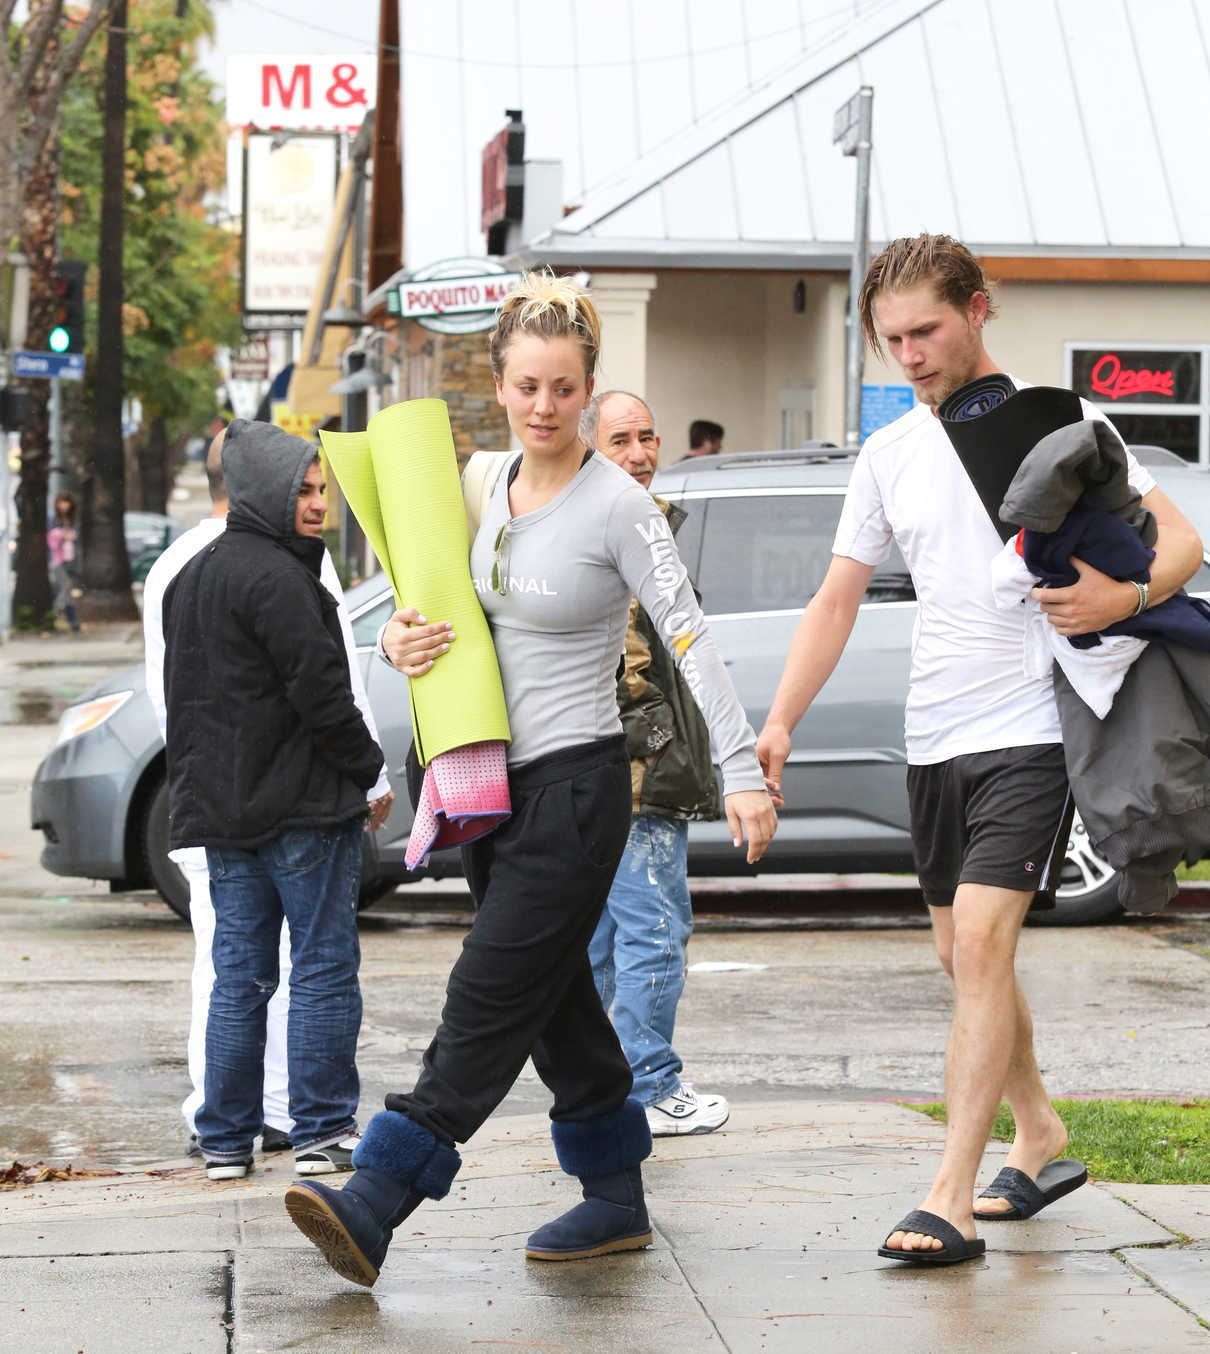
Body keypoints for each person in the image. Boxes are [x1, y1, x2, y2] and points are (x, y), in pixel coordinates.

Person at [284, 273, 778, 1288]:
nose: (543, 407)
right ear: (500, 387)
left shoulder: (619, 505)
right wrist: (399, 641)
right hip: (487, 792)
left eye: (562, 388)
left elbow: (687, 635)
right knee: (556, 1002)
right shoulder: (478, 482)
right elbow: (427, 611)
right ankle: (613, 1197)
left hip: (580, 788)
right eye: (525, 387)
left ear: (589, 387)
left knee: (490, 990)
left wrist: (742, 768)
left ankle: (380, 1193)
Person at [757, 233, 1203, 1266]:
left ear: (977, 309)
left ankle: (947, 1194)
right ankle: (1039, 1135)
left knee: (984, 948)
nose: (910, 354)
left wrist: (1122, 595)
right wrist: (779, 720)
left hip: (1031, 725)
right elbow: (835, 596)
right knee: (958, 954)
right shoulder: (888, 453)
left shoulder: (1058, 421)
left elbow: (1180, 543)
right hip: (934, 731)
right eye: (892, 339)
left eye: (927, 329)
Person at [143, 424, 394, 1168]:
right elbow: (325, 695)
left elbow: (182, 705)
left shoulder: (191, 575)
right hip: (304, 813)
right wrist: (368, 773)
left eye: (320, 490)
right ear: (263, 493)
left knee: (238, 976)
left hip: (223, 815)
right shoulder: (285, 578)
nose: (318, 505)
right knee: (320, 968)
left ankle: (224, 1141)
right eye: (304, 491)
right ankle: (321, 1131)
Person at [581, 389, 729, 1136]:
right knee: (653, 928)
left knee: (611, 939)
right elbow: (625, 664)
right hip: (638, 780)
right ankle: (650, 1086)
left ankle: (608, 1089)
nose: (639, 454)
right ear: (590, 450)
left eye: (646, 436)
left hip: (622, 775)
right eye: (619, 441)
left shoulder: (638, 521)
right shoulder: (617, 531)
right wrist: (658, 742)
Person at [47, 491, 81, 633]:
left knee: (68, 591)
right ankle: (56, 611)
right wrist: (63, 535)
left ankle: (72, 620)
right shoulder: (53, 518)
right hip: (58, 559)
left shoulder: (73, 519)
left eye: (66, 502)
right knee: (66, 588)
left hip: (70, 557)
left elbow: (77, 536)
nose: (64, 505)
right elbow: (51, 538)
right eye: (62, 502)